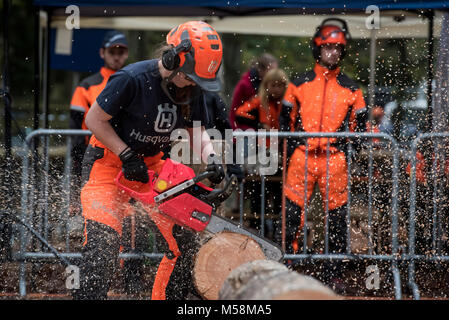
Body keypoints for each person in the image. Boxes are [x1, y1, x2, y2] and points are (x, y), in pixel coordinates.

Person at [72, 21, 241, 300]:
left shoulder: (192, 88)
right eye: (189, 76)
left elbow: (196, 129)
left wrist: (211, 157)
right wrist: (125, 153)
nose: (192, 84)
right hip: (108, 163)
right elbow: (93, 119)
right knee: (103, 244)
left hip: (152, 165)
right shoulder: (131, 79)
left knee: (185, 242)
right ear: (173, 59)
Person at [278, 18, 366, 293]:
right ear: (318, 49)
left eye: (337, 48)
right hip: (302, 156)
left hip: (335, 159)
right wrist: (289, 155)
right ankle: (285, 267)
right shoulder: (299, 83)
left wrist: (348, 156)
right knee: (292, 215)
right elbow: (285, 124)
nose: (333, 53)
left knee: (337, 219)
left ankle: (333, 273)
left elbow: (359, 131)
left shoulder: (352, 89)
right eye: (328, 48)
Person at [69, 30, 129, 216]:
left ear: (126, 54)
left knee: (127, 209)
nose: (117, 57)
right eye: (112, 52)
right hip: (95, 155)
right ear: (102, 53)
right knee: (96, 207)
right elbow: (75, 127)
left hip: (127, 154)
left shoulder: (133, 81)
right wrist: (78, 160)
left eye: (121, 52)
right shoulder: (87, 86)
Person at [235, 68, 290, 238]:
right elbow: (240, 113)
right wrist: (258, 124)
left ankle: (279, 230)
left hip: (281, 154)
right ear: (266, 86)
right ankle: (259, 230)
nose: (277, 90)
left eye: (280, 86)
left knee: (280, 193)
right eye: (273, 85)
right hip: (262, 152)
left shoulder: (288, 103)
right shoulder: (259, 102)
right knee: (259, 191)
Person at [230, 53, 278, 130]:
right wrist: (259, 125)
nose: (274, 74)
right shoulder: (245, 85)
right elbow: (235, 112)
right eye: (271, 71)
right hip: (246, 130)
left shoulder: (272, 86)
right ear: (261, 70)